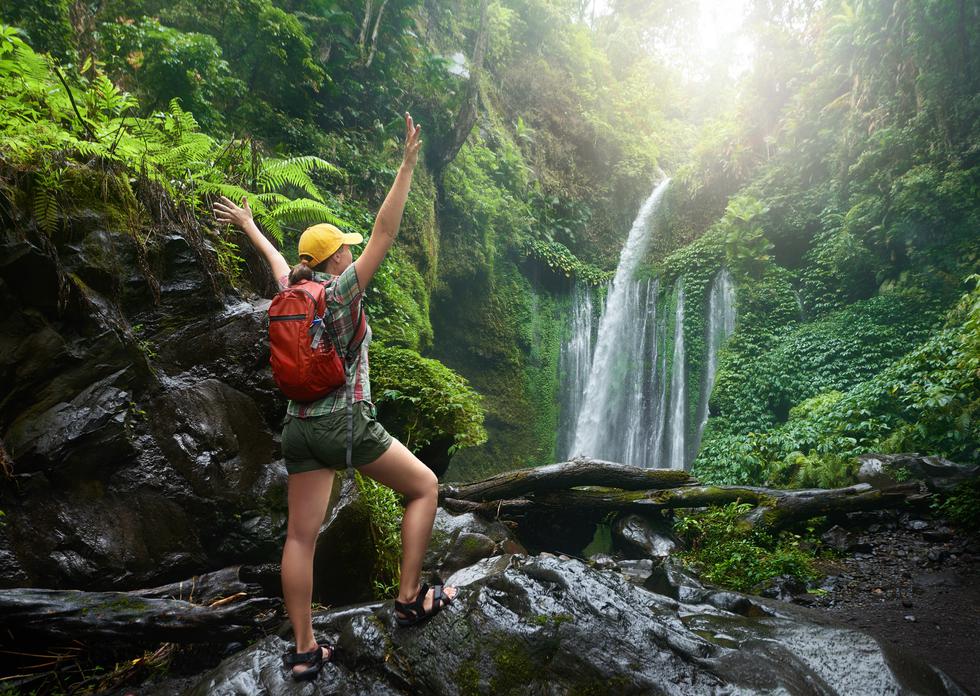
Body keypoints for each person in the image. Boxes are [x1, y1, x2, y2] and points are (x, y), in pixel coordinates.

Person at [212, 112, 457, 682]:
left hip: (298, 428)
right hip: (344, 422)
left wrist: (250, 225)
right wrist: (405, 167)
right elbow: (386, 233)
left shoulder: (291, 291)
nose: (351, 254)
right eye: (343, 250)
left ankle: (304, 649)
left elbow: (277, 260)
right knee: (424, 487)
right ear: (332, 262)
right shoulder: (341, 294)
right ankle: (409, 597)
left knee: (300, 536)